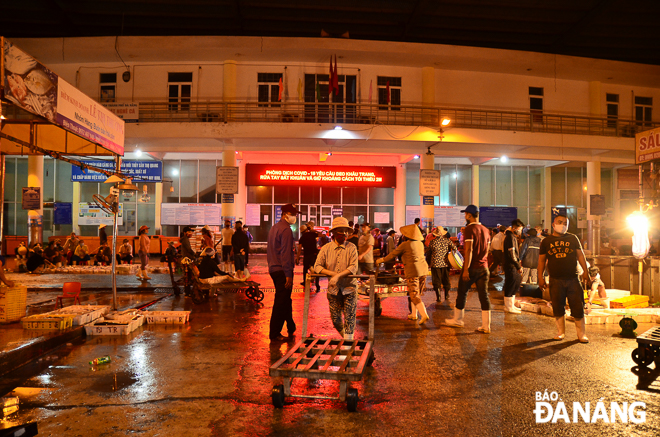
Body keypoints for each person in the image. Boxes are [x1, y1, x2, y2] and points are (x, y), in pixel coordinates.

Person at [538, 214, 590, 343]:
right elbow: (541, 261)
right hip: (555, 280)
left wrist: (586, 272)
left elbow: (581, 256)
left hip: (573, 278)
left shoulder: (573, 238)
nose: (563, 225)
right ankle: (560, 332)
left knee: (578, 306)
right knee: (558, 306)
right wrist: (540, 277)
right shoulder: (546, 241)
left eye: (565, 223)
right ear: (553, 224)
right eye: (560, 222)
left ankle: (581, 334)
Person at [443, 205, 492, 333]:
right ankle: (486, 326)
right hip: (484, 267)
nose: (465, 216)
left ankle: (458, 320)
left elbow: (469, 249)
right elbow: (487, 250)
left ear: (469, 215)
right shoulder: (486, 230)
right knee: (484, 296)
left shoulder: (470, 229)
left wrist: (466, 269)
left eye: (465, 214)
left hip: (472, 267)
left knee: (462, 292)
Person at [314, 217, 359, 340]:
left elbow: (353, 267)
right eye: (340, 231)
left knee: (350, 317)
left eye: (345, 231)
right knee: (336, 319)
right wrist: (332, 274)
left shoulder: (352, 248)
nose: (343, 234)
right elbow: (317, 266)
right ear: (333, 233)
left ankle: (348, 344)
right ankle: (347, 338)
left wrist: (338, 275)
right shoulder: (326, 249)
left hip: (349, 288)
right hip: (333, 290)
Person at [376, 224, 430, 324]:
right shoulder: (420, 244)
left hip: (413, 271)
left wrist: (381, 260)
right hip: (424, 271)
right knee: (416, 294)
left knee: (414, 294)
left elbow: (393, 254)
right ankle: (414, 315)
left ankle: (424, 315)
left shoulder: (405, 244)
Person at [268, 203, 300, 341]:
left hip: (273, 268)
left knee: (285, 299)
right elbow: (286, 253)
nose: (295, 217)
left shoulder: (274, 228)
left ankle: (291, 325)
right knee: (281, 301)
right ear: (286, 214)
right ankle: (274, 333)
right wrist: (288, 274)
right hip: (282, 270)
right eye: (294, 215)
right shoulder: (286, 230)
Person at [428, 226, 456, 302]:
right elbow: (455, 249)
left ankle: (439, 297)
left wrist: (428, 263)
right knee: (446, 279)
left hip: (435, 264)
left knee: (436, 280)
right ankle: (446, 295)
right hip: (445, 264)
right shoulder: (447, 241)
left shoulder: (432, 242)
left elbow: (429, 253)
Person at [503, 219, 525, 314]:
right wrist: (518, 266)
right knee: (510, 284)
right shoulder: (510, 237)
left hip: (513, 265)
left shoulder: (512, 236)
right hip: (510, 265)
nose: (520, 231)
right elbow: (512, 253)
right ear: (515, 228)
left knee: (514, 284)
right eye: (520, 229)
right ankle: (508, 307)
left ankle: (511, 305)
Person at [297, 221, 320, 292]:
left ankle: (305, 282)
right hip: (314, 255)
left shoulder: (302, 238)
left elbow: (299, 250)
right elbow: (322, 234)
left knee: (305, 270)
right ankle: (317, 286)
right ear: (307, 229)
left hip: (306, 255)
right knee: (316, 270)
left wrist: (297, 258)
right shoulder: (312, 234)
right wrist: (313, 230)